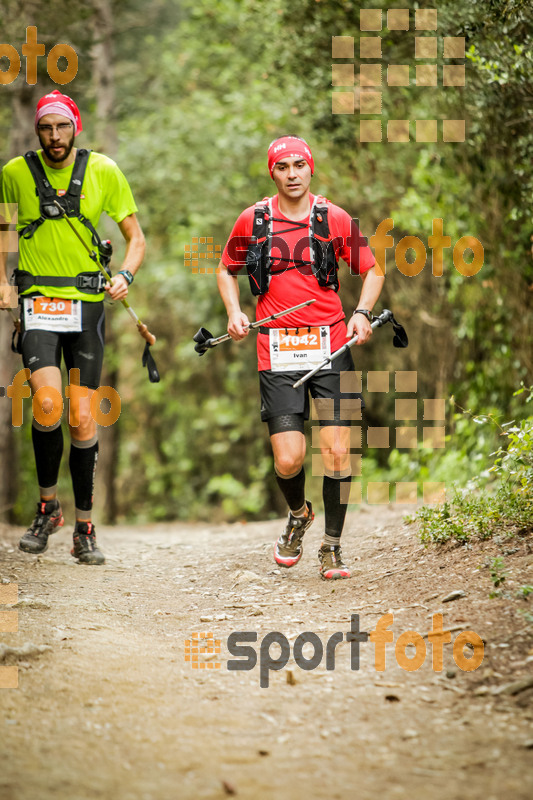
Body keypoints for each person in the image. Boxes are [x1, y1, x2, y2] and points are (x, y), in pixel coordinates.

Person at [217, 135, 384, 580]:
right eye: (283, 167)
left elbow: (373, 269)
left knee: (336, 451)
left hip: (331, 345)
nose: (292, 174)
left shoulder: (333, 218)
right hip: (276, 349)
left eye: (299, 165)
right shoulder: (253, 220)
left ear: (311, 169)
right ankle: (298, 514)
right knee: (289, 459)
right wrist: (234, 312)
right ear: (272, 173)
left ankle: (332, 546)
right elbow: (225, 269)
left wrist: (362, 314)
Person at [0, 90, 145, 565]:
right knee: (46, 403)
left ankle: (85, 526)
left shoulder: (103, 170)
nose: (55, 136)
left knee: (82, 416)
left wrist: (124, 274)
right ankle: (48, 507)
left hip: (87, 310)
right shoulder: (14, 175)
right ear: (37, 130)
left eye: (63, 127)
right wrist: (2, 283)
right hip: (39, 304)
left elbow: (135, 238)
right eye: (46, 127)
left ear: (75, 127)